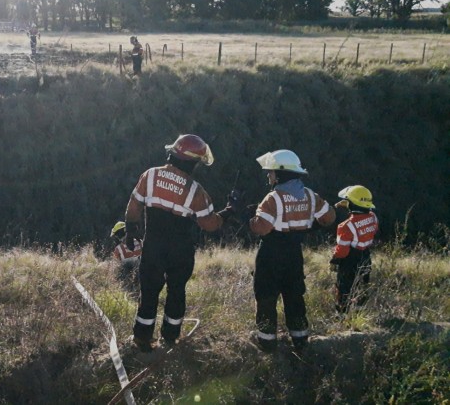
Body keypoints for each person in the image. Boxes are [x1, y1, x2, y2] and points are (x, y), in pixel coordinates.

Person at [124, 134, 238, 352]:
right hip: (180, 248)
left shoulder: (150, 176)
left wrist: (130, 230)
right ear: (193, 162)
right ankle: (170, 337)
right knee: (176, 290)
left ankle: (142, 338)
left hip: (153, 245)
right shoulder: (195, 191)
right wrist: (229, 211)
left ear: (172, 154)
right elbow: (210, 224)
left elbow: (134, 204)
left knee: (149, 291)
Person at [247, 149, 335, 352]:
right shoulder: (311, 196)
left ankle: (267, 344)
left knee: (266, 297)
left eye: (271, 172)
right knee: (295, 296)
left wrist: (250, 217)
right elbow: (329, 217)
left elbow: (262, 228)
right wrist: (309, 226)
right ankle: (301, 342)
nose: (269, 176)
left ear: (280, 173)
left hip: (270, 255)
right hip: (294, 255)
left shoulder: (273, 198)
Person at [329, 185, 378, 313]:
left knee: (344, 288)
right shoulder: (373, 217)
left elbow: (342, 250)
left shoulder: (345, 226)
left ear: (351, 203)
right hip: (366, 256)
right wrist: (349, 203)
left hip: (350, 260)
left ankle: (342, 314)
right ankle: (359, 313)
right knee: (361, 285)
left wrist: (334, 260)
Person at [111, 220, 143, 289]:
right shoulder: (141, 242)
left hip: (128, 282)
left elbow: (117, 263)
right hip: (144, 277)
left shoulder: (118, 249)